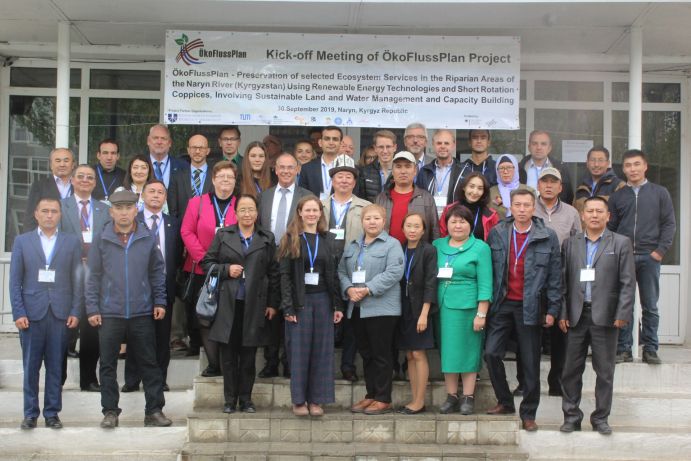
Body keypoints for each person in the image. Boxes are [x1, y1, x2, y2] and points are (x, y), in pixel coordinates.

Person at [85, 189, 171, 429]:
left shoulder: (147, 237)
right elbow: (92, 276)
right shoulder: (102, 239)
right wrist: (92, 307)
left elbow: (156, 273)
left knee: (149, 363)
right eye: (119, 209)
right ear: (111, 211)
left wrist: (160, 301)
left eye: (128, 208)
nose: (123, 213)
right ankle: (110, 411)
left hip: (142, 311)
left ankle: (154, 411)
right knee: (108, 365)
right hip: (109, 312)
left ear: (136, 210)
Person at [484, 189, 561, 432]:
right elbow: (489, 271)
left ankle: (528, 413)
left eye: (527, 205)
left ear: (533, 207)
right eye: (517, 204)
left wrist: (552, 308)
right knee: (491, 353)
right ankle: (505, 401)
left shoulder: (547, 236)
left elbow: (555, 276)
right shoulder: (498, 233)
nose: (522, 209)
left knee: (530, 362)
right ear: (510, 206)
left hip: (531, 306)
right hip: (502, 303)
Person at [559, 196, 635, 435]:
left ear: (607, 216)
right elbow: (562, 282)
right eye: (589, 211)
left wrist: (623, 313)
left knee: (605, 372)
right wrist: (562, 312)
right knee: (571, 370)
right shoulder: (570, 244)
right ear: (582, 215)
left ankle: (601, 418)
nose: (594, 215)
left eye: (599, 211)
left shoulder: (621, 243)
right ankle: (571, 416)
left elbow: (628, 282)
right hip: (576, 316)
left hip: (607, 317)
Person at [201, 194, 280, 414]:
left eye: (251, 209)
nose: (247, 214)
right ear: (235, 213)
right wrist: (226, 270)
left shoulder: (266, 237)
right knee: (228, 356)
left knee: (248, 357)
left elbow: (274, 272)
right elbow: (207, 262)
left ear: (257, 213)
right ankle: (229, 400)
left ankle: (246, 400)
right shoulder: (223, 235)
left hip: (255, 304)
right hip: (228, 303)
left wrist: (273, 303)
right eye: (242, 210)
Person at [10, 198, 82, 430]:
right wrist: (18, 312)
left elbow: (77, 280)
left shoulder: (71, 242)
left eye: (54, 211)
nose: (49, 215)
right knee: (31, 367)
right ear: (36, 214)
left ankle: (52, 414)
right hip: (31, 315)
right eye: (45, 211)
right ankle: (30, 414)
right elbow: (15, 282)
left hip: (60, 314)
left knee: (55, 366)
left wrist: (75, 310)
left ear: (60, 215)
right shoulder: (22, 241)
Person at [608, 149, 676, 364]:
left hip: (649, 256)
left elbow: (669, 224)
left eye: (637, 164)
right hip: (624, 256)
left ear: (645, 166)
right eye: (628, 165)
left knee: (650, 305)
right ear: (623, 169)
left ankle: (650, 348)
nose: (633, 169)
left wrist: (660, 251)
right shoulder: (618, 196)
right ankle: (624, 348)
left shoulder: (659, 192)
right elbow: (611, 227)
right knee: (623, 303)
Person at [278, 196, 344, 416]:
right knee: (299, 351)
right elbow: (285, 276)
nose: (311, 214)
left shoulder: (328, 239)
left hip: (323, 301)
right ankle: (299, 400)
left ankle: (317, 399)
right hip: (300, 302)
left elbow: (333, 275)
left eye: (315, 210)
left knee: (322, 352)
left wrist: (337, 305)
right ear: (299, 212)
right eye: (307, 210)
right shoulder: (291, 238)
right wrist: (288, 308)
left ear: (320, 213)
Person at [338, 204, 404, 415]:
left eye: (376, 218)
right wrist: (348, 289)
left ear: (383, 222)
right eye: (368, 218)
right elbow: (341, 271)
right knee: (366, 353)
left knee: (381, 354)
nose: (372, 222)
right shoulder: (353, 246)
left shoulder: (391, 245)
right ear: (362, 221)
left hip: (381, 308)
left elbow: (394, 272)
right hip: (356, 307)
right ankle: (371, 394)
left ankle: (383, 398)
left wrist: (367, 289)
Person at [257, 152, 314, 378]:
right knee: (271, 312)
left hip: (295, 258)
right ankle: (270, 361)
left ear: (298, 169)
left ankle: (290, 362)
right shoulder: (266, 196)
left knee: (293, 311)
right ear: (275, 169)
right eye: (282, 167)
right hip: (269, 260)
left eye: (291, 167)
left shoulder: (306, 195)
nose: (286, 171)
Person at [123, 180, 183, 393]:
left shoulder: (173, 223)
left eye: (160, 192)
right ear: (143, 196)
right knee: (136, 333)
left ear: (165, 198)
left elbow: (176, 254)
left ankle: (159, 378)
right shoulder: (133, 221)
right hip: (137, 286)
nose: (156, 195)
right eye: (151, 191)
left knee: (161, 334)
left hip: (164, 286)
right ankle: (132, 379)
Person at [181, 161, 239, 373]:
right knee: (205, 317)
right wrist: (206, 260)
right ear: (213, 179)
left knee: (226, 317)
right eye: (221, 176)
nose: (225, 181)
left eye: (230, 177)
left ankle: (228, 364)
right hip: (201, 271)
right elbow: (187, 232)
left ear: (235, 181)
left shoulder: (240, 204)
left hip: (230, 272)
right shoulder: (196, 203)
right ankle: (214, 365)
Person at [435, 205, 492, 415]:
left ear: (470, 224)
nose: (458, 225)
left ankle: (468, 396)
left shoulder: (480, 247)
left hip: (468, 307)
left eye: (462, 221)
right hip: (442, 305)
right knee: (448, 351)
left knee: (469, 350)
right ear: (447, 224)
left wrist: (481, 313)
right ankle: (451, 396)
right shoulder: (437, 245)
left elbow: (486, 283)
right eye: (453, 221)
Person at [60, 164, 111, 392]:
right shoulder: (61, 207)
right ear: (72, 180)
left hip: (95, 277)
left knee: (92, 330)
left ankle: (89, 378)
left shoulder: (103, 209)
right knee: (64, 329)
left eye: (89, 177)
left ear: (94, 182)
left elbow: (108, 242)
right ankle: (58, 378)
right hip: (68, 276)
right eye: (80, 176)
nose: (85, 180)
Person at [532, 167, 581, 395]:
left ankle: (556, 381)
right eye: (545, 181)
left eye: (554, 182)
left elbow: (578, 245)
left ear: (561, 187)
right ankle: (527, 381)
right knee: (531, 333)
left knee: (561, 334)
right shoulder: (529, 208)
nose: (549, 185)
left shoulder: (571, 213)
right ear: (538, 185)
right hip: (533, 278)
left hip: (562, 279)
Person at [321, 165, 371, 382]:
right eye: (339, 177)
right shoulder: (319, 205)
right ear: (332, 181)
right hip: (322, 267)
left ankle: (348, 365)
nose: (343, 181)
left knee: (351, 318)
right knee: (325, 316)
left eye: (348, 177)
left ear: (354, 182)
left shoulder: (366, 207)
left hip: (353, 267)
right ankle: (323, 366)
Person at [396, 213, 437, 414]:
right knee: (409, 354)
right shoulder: (399, 249)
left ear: (423, 230)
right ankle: (414, 398)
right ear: (403, 228)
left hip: (420, 308)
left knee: (419, 353)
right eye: (408, 226)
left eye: (416, 226)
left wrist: (424, 313)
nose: (412, 230)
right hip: (401, 308)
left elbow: (431, 282)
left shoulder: (429, 250)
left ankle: (420, 401)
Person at [375, 151, 439, 244]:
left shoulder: (426, 198)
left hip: (418, 255)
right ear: (392, 171)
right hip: (386, 254)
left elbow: (435, 231)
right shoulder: (381, 198)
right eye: (398, 167)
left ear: (415, 171)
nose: (403, 171)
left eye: (408, 166)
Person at [24, 148, 75, 231]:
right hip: (47, 237)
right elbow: (30, 217)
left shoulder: (79, 186)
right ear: (51, 165)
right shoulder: (39, 186)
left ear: (73, 165)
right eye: (58, 161)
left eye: (66, 161)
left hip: (73, 239)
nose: (62, 164)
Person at [416, 129, 464, 217]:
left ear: (453, 145)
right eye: (439, 143)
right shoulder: (424, 171)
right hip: (430, 221)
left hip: (454, 221)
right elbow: (418, 200)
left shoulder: (463, 171)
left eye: (446, 143)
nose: (442, 146)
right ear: (433, 145)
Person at [439, 172, 499, 241]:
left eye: (480, 188)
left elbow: (495, 241)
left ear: (484, 191)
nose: (475, 192)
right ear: (464, 187)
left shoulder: (491, 215)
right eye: (471, 186)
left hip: (479, 251)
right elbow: (442, 235)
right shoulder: (449, 209)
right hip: (453, 251)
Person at [299, 126, 355, 199]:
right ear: (320, 142)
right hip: (313, 209)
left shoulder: (351, 168)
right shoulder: (307, 168)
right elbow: (303, 196)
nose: (331, 143)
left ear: (341, 144)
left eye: (335, 139)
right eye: (327, 139)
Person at [518, 130, 573, 204]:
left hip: (553, 214)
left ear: (549, 148)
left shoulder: (561, 169)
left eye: (543, 144)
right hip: (526, 213)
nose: (539, 147)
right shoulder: (519, 169)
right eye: (534, 143)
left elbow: (568, 197)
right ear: (529, 147)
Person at [168, 134, 214, 219]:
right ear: (188, 150)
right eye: (194, 147)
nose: (197, 151)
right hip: (183, 229)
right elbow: (173, 209)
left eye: (201, 148)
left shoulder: (216, 175)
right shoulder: (177, 176)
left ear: (208, 151)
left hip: (209, 228)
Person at [573, 146, 625, 214]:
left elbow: (625, 216)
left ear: (608, 163)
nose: (596, 164)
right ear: (587, 163)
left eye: (600, 160)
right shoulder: (581, 189)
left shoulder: (619, 186)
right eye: (592, 160)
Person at [357, 130, 397, 202]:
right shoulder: (364, 172)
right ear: (375, 148)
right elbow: (361, 201)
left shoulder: (401, 172)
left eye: (388, 147)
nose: (385, 151)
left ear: (395, 147)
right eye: (381, 147)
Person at [489, 154, 532, 218]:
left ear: (516, 169)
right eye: (501, 168)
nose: (505, 172)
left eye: (509, 167)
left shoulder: (528, 191)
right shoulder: (491, 192)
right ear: (497, 171)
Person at [146, 124, 186, 188]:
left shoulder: (183, 166)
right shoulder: (139, 165)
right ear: (148, 141)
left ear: (169, 143)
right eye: (155, 138)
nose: (159, 142)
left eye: (163, 138)